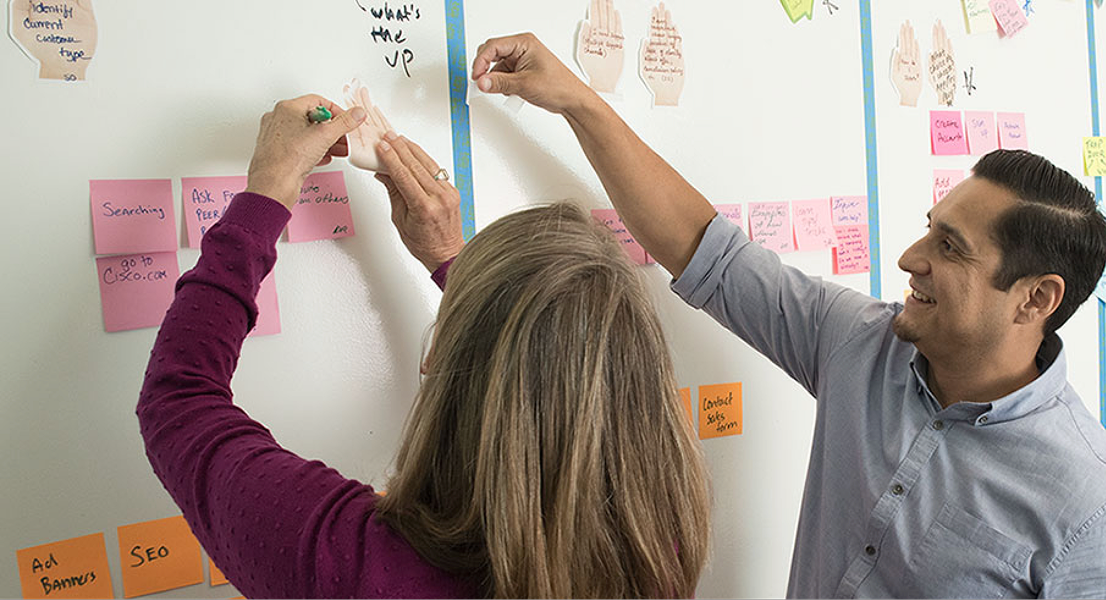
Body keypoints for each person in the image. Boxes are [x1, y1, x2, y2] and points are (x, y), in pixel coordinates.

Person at [469, 33, 1106, 599]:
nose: (911, 258)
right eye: (930, 229)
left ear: (1036, 299)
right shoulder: (860, 343)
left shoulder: (1093, 516)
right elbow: (701, 246)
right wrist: (576, 101)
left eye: (950, 249)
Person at [137, 94, 712, 599]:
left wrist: (266, 192)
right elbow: (547, 363)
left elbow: (179, 402)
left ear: (436, 361)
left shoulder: (353, 564)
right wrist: (452, 262)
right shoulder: (661, 551)